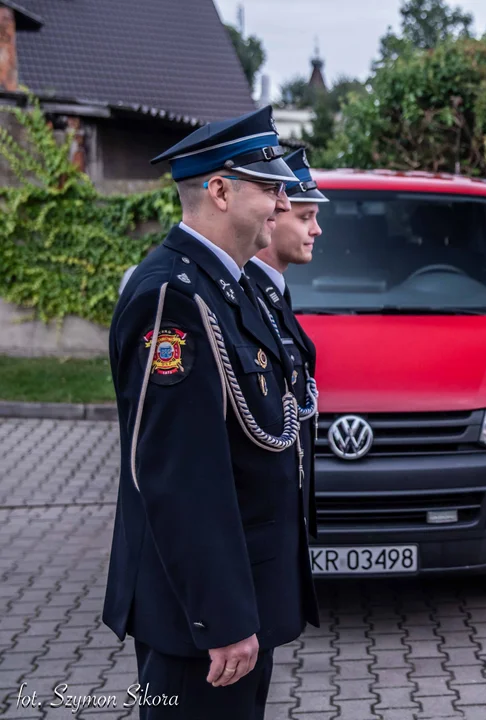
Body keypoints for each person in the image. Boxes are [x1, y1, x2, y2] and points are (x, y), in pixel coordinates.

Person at [102, 105, 320, 719]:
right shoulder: (173, 297)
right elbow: (178, 475)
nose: (281, 206)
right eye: (270, 189)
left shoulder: (235, 284)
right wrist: (221, 617)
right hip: (201, 617)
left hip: (242, 595)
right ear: (220, 190)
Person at [245, 147, 326, 537]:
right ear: (273, 219)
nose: (316, 230)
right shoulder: (252, 295)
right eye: (306, 217)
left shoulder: (272, 290)